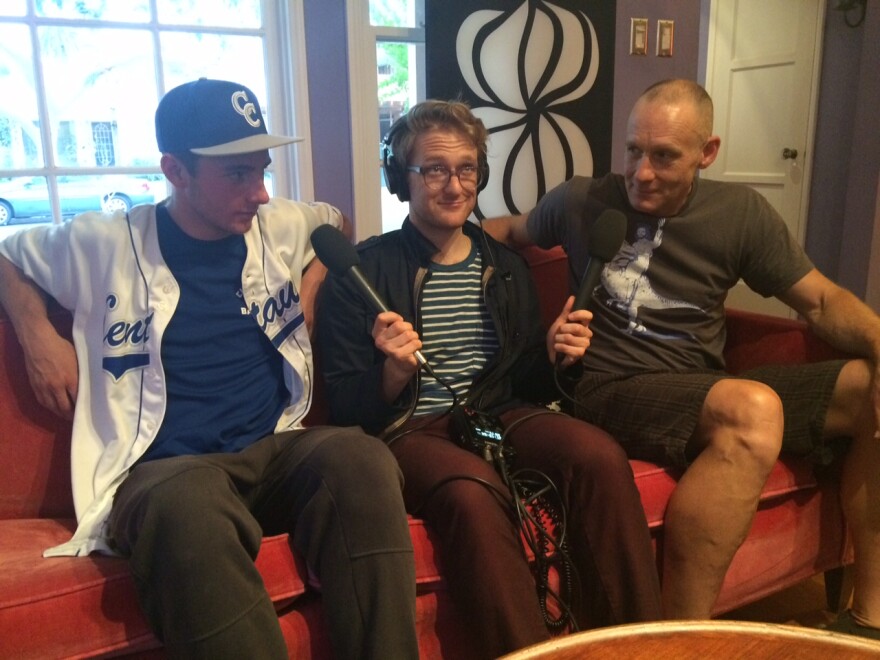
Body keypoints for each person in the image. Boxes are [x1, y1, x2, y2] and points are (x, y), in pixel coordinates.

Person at [0, 78, 418, 659]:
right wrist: (35, 333)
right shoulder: (105, 243)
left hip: (270, 451)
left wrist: (313, 279)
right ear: (175, 171)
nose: (261, 194)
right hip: (165, 472)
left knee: (359, 455)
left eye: (262, 170)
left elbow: (335, 222)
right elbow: (7, 252)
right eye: (238, 175)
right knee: (186, 506)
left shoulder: (279, 227)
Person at [483, 78, 880, 638]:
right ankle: (678, 640)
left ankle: (870, 617)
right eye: (633, 151)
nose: (641, 172)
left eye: (664, 156)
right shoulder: (581, 199)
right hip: (606, 385)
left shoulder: (740, 212)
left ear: (707, 152)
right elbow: (508, 230)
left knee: (868, 386)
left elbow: (819, 299)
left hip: (697, 385)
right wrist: (435, 253)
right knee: (752, 410)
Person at [316, 99, 662, 659]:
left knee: (597, 454)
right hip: (409, 429)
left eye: (467, 169)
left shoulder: (505, 266)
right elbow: (351, 412)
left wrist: (553, 357)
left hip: (497, 413)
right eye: (433, 169)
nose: (454, 186)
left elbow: (526, 382)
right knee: (474, 494)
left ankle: (638, 648)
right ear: (399, 179)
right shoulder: (359, 275)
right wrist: (391, 373)